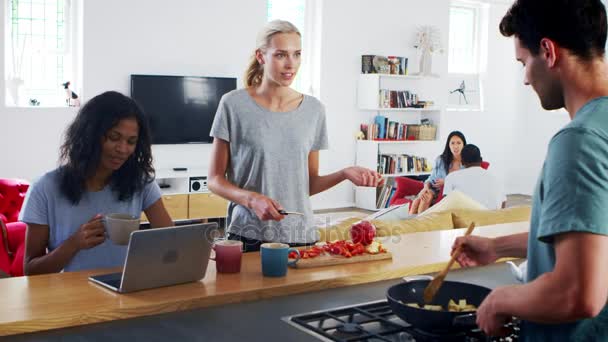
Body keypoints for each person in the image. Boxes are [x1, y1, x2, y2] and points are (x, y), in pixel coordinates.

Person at [452, 0, 608, 339]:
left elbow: (579, 293)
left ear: (548, 52)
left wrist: (501, 300)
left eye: (523, 62)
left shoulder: (578, 141)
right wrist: (497, 247)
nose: (524, 79)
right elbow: (592, 239)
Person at [208, 20, 383, 252]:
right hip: (247, 234)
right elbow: (215, 180)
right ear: (261, 56)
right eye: (281, 55)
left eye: (297, 54)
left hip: (301, 235)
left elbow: (307, 185)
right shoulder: (233, 104)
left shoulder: (314, 110)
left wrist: (344, 174)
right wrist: (251, 199)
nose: (291, 64)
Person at [20, 91, 174, 275]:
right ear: (89, 135)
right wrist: (74, 244)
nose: (123, 149)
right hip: (69, 299)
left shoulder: (141, 182)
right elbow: (30, 270)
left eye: (131, 141)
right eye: (114, 138)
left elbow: (171, 241)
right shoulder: (45, 188)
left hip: (125, 293)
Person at [408, 131, 466, 214]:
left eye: (459, 143)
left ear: (463, 145)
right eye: (452, 143)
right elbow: (430, 179)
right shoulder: (441, 160)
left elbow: (465, 183)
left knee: (426, 198)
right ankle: (409, 226)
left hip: (447, 194)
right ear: (448, 145)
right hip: (433, 190)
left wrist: (446, 182)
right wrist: (425, 188)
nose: (455, 146)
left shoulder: (466, 163)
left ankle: (419, 225)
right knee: (416, 202)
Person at [443, 144, 506, 209]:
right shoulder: (496, 178)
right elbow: (503, 203)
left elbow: (446, 206)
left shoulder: (451, 177)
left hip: (464, 218)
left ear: (462, 162)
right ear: (481, 160)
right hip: (492, 218)